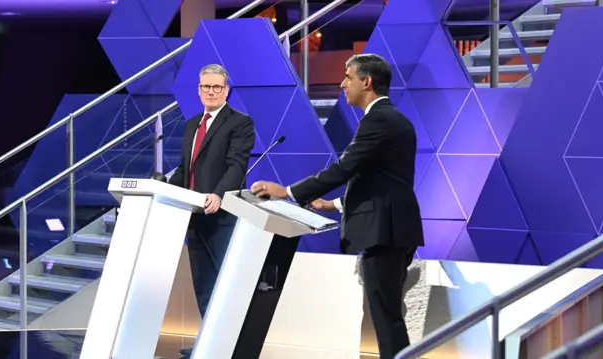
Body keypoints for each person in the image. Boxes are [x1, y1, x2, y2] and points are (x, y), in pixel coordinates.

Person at [250, 54, 424, 359]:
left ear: (366, 82)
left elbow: (344, 168)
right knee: (388, 316)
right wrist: (334, 203)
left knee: (387, 320)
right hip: (395, 228)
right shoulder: (394, 119)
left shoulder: (378, 120)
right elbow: (379, 179)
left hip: (384, 232)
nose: (342, 83)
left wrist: (288, 192)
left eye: (348, 76)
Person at [168, 64, 255, 356]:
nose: (211, 92)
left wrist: (218, 194)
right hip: (193, 216)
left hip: (223, 217)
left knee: (226, 285)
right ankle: (210, 343)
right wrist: (166, 191)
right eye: (206, 87)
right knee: (203, 285)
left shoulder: (240, 122)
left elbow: (236, 166)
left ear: (226, 90)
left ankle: (233, 347)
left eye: (217, 87)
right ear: (198, 89)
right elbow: (184, 169)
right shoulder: (192, 123)